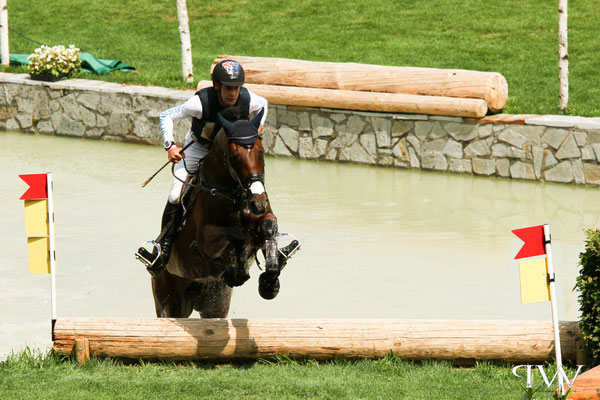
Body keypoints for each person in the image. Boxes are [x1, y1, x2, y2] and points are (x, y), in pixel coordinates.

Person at [138, 59, 268, 273]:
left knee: (254, 186)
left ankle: (269, 244)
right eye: (228, 88)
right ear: (217, 86)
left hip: (230, 155)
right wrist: (170, 146)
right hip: (199, 149)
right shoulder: (200, 103)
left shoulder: (247, 99)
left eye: (236, 88)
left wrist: (258, 128)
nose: (233, 94)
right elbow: (166, 115)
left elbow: (264, 104)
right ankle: (162, 249)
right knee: (176, 195)